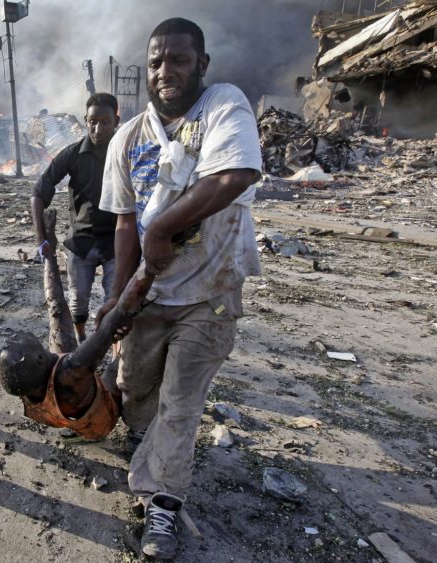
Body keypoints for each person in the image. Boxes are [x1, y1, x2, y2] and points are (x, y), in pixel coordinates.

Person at [96, 18, 263, 560]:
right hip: (148, 300)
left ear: (202, 65)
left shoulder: (221, 107)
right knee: (137, 390)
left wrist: (164, 228)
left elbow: (233, 175)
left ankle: (162, 505)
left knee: (180, 405)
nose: (165, 72)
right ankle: (148, 452)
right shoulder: (128, 137)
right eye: (155, 63)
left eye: (179, 60)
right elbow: (124, 225)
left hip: (208, 295)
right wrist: (118, 300)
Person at [33, 93, 120, 343]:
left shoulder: (125, 152)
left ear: (116, 120)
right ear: (85, 120)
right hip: (81, 242)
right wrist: (41, 239)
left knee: (115, 303)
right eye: (93, 121)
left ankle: (111, 349)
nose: (98, 128)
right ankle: (82, 341)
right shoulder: (72, 154)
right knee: (78, 299)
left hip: (117, 242)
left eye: (105, 122)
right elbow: (40, 191)